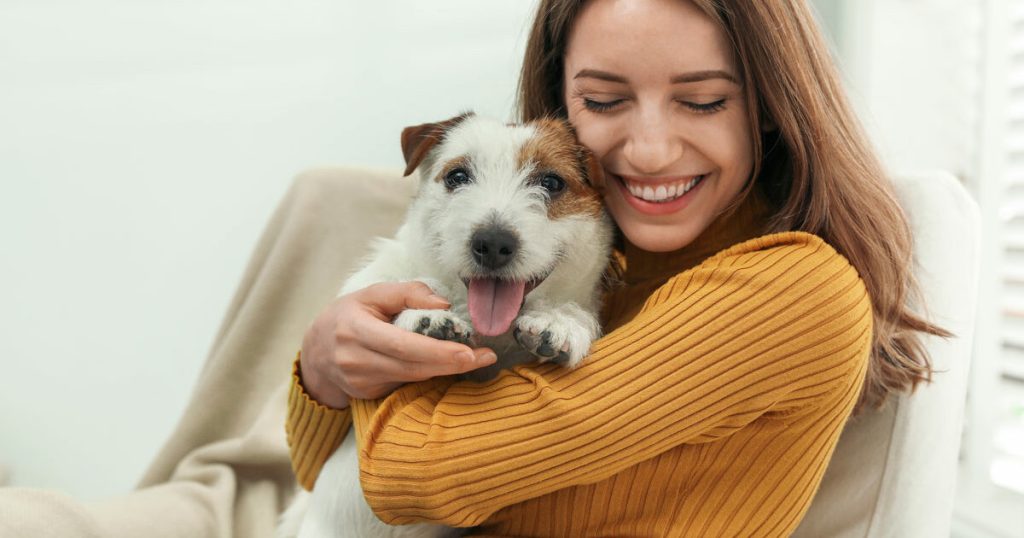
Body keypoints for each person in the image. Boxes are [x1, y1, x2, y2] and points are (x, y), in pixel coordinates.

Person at [287, 0, 947, 536]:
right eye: (604, 101)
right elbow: (320, 475)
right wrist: (322, 372)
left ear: (772, 109)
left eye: (704, 100)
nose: (652, 151)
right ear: (561, 107)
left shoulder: (794, 289)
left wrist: (356, 360)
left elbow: (411, 478)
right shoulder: (598, 265)